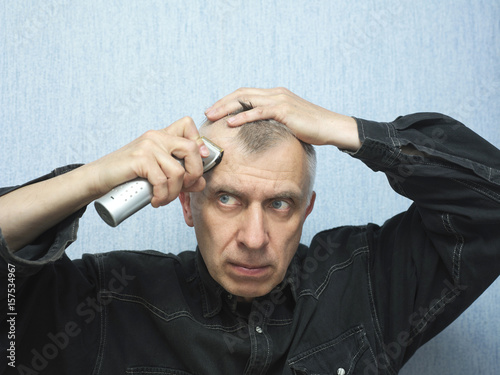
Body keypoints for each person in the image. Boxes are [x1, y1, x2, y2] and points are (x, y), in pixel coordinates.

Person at [1, 87, 499, 374]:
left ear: (307, 211)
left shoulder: (367, 285)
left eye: (280, 204)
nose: (255, 238)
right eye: (226, 199)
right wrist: (92, 178)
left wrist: (349, 131)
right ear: (187, 206)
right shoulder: (105, 301)